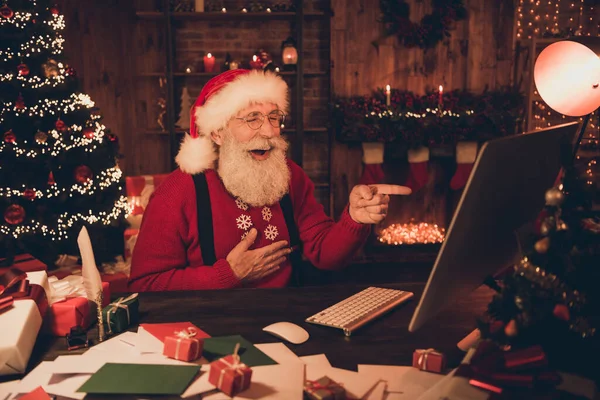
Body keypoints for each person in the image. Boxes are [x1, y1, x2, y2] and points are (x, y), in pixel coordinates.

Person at [128, 69, 411, 292]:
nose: (269, 130)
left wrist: (354, 219)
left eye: (274, 117)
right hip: (209, 326)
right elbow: (145, 285)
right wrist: (229, 274)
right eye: (252, 119)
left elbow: (327, 255)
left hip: (286, 317)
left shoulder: (290, 175)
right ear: (217, 133)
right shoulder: (178, 192)